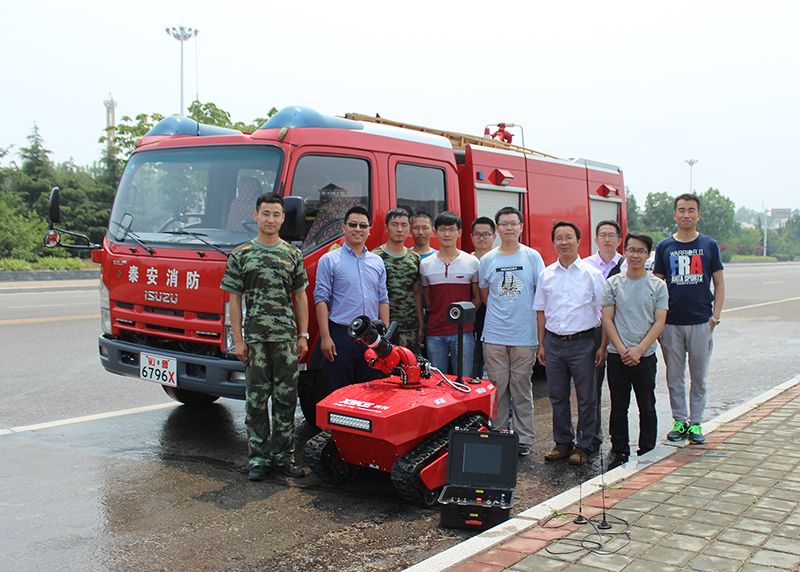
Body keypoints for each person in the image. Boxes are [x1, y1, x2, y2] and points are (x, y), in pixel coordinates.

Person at [220, 193, 309, 481]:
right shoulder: (241, 254)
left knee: (286, 400)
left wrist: (303, 335)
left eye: (276, 214)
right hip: (255, 340)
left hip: (285, 339)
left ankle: (284, 456)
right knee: (256, 400)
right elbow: (234, 300)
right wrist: (239, 340)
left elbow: (300, 297)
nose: (271, 219)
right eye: (266, 213)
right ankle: (258, 458)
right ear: (256, 215)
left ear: (283, 218)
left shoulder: (293, 255)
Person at [653, 193, 725, 445]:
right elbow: (658, 286)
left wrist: (714, 318)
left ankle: (696, 424)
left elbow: (719, 283)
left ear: (698, 215)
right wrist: (658, 324)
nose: (686, 214)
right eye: (681, 210)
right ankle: (679, 421)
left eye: (691, 210)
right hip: (671, 324)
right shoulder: (664, 247)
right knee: (674, 376)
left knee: (699, 377)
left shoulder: (709, 245)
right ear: (674, 215)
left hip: (700, 323)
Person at [534, 221, 606, 466]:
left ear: (578, 240)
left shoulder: (592, 274)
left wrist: (602, 346)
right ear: (553, 242)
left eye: (569, 237)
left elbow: (606, 312)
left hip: (584, 342)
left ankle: (585, 445)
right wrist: (541, 345)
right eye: (558, 238)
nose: (564, 242)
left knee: (587, 397)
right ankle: (562, 443)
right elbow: (541, 312)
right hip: (553, 343)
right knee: (557, 396)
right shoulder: (546, 274)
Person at [479, 207, 544, 456]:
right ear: (497, 228)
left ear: (521, 227)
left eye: (513, 223)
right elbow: (485, 293)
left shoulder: (532, 257)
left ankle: (523, 438)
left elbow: (540, 295)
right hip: (494, 335)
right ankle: (498, 434)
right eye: (503, 224)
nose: (508, 228)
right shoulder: (488, 260)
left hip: (524, 336)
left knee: (521, 388)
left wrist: (539, 336)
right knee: (497, 387)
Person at [602, 232, 668, 469]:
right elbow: (607, 319)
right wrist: (621, 350)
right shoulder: (613, 283)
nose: (635, 255)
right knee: (619, 404)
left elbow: (659, 322)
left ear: (648, 255)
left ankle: (647, 449)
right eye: (631, 250)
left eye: (640, 251)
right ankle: (619, 449)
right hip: (617, 355)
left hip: (645, 355)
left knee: (646, 404)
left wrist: (639, 350)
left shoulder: (658, 285)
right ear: (625, 252)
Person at [314, 205, 390, 393]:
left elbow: (383, 298)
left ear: (369, 230)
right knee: (340, 392)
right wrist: (325, 337)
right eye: (353, 224)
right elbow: (321, 299)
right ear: (344, 227)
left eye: (363, 226)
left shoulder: (377, 261)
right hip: (342, 335)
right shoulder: (329, 259)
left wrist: (384, 337)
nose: (358, 229)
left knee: (370, 389)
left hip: (372, 337)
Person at [420, 211, 480, 376]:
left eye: (452, 229)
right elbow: (428, 297)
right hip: (434, 332)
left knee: (465, 380)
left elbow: (477, 297)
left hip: (463, 332)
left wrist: (465, 317)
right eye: (442, 229)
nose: (447, 234)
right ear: (435, 232)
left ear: (459, 233)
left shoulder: (472, 262)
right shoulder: (426, 264)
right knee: (437, 382)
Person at [584, 220, 627, 451]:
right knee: (592, 388)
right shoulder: (585, 265)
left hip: (623, 331)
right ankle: (593, 437)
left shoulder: (629, 265)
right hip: (596, 331)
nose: (607, 239)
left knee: (620, 390)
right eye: (603, 235)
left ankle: (620, 442)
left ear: (620, 240)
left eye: (612, 235)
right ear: (596, 239)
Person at [373, 208, 424, 354]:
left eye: (404, 225)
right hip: (383, 328)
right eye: (394, 224)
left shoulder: (414, 258)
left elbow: (416, 293)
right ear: (386, 228)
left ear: (409, 228)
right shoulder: (375, 257)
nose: (399, 229)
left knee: (409, 370)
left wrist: (420, 325)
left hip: (409, 327)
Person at [470, 216, 496, 378]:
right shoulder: (465, 261)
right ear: (471, 237)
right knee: (475, 362)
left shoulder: (501, 260)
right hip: (473, 320)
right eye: (477, 234)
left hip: (496, 320)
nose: (481, 238)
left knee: (497, 367)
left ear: (494, 236)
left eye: (486, 234)